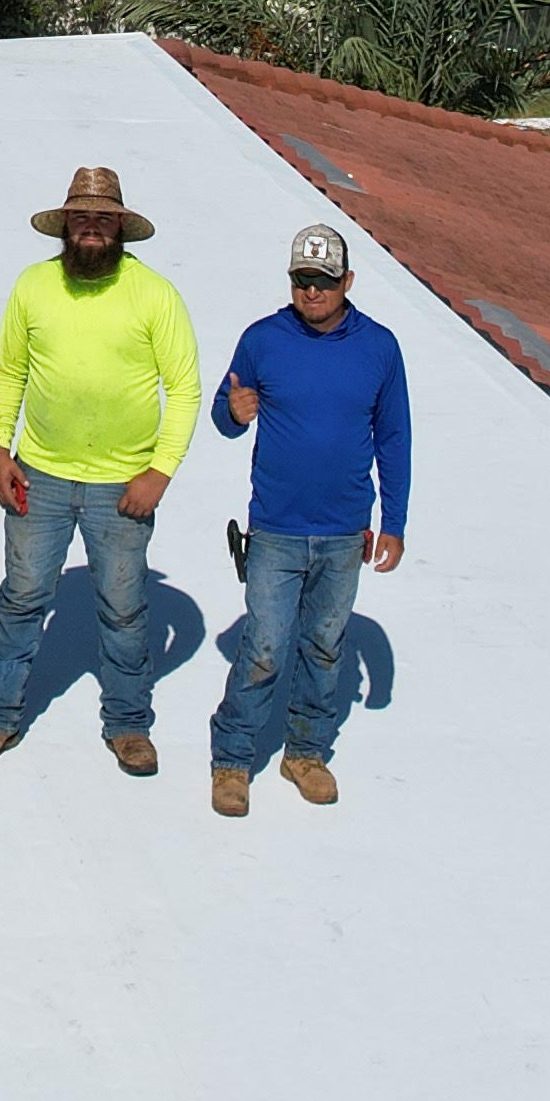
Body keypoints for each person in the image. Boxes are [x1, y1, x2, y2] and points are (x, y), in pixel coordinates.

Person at [0, 163, 201, 779]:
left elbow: (186, 388)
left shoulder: (154, 295)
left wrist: (160, 473)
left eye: (103, 220)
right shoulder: (33, 287)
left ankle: (128, 725)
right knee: (22, 597)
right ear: (65, 225)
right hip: (37, 477)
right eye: (81, 219)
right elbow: (8, 370)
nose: (91, 229)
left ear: (120, 228)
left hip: (123, 485)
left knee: (123, 608)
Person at [203, 223, 414, 816]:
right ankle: (232, 759)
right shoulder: (263, 340)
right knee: (265, 646)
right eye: (302, 280)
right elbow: (225, 412)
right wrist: (233, 412)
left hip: (346, 531)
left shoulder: (379, 348)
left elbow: (394, 438)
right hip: (275, 529)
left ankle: (306, 752)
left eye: (324, 281)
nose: (312, 291)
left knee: (324, 646)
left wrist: (393, 521)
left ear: (347, 281)